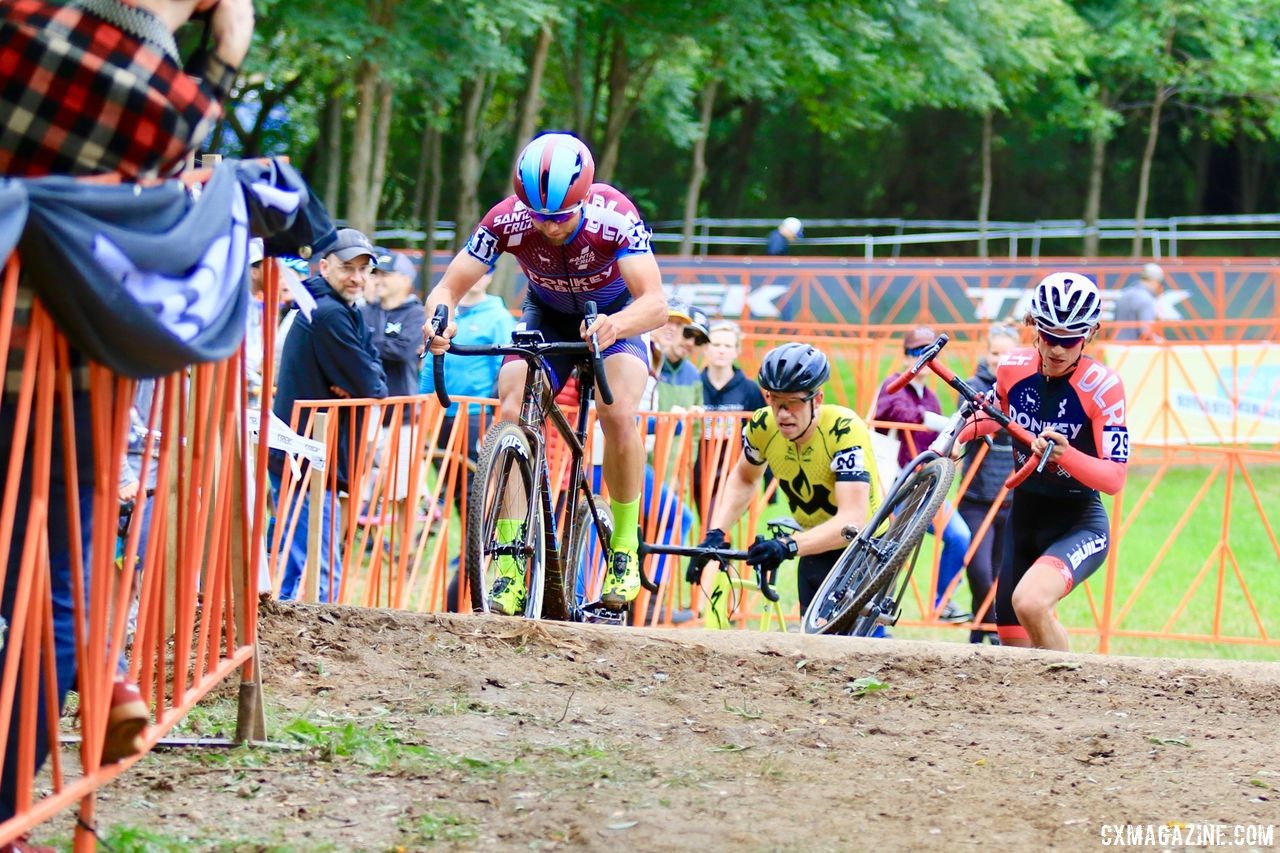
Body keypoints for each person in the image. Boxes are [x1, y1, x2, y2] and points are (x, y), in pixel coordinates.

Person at [1, 0, 254, 842]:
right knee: (56, 598)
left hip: (49, 376)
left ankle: (103, 683)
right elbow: (169, 136)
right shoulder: (125, 76)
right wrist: (223, 57)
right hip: (44, 374)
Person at [426, 132, 665, 614]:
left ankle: (623, 540)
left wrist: (612, 325)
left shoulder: (613, 216)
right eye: (539, 217)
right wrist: (440, 319)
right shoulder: (506, 219)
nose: (549, 227)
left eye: (560, 217)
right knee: (512, 406)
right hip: (546, 311)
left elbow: (656, 304)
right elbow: (447, 288)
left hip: (616, 314)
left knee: (616, 411)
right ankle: (511, 558)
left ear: (583, 200)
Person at [945, 272, 1128, 651]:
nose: (1057, 349)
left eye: (1070, 340)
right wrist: (950, 438)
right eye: (1049, 337)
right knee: (1015, 647)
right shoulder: (1012, 367)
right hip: (1023, 520)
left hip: (1077, 523)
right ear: (1033, 327)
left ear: (1090, 334)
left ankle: (1073, 692)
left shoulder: (1103, 386)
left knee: (1030, 602)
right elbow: (989, 418)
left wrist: (1067, 454)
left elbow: (1114, 478)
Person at [692, 344, 881, 615]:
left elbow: (852, 521)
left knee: (860, 642)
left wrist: (787, 545)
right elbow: (745, 478)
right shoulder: (762, 425)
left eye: (792, 402)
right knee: (812, 640)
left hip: (865, 543)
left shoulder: (843, 429)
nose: (782, 413)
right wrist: (716, 533)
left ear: (817, 400)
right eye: (774, 400)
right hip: (814, 542)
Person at [269, 228, 388, 602]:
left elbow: (373, 375)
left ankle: (282, 625)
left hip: (310, 454)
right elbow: (372, 385)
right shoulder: (328, 314)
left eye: (363, 269)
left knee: (296, 554)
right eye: (346, 268)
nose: (356, 277)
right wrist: (364, 380)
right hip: (307, 456)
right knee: (319, 562)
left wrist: (365, 378)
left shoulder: (342, 309)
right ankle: (325, 633)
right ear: (323, 267)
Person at [420, 272, 516, 611]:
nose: (476, 278)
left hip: (478, 415)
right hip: (441, 415)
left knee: (482, 502)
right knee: (458, 501)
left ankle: (475, 570)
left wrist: (495, 414)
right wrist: (421, 402)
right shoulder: (448, 314)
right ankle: (465, 567)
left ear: (491, 276)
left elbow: (507, 366)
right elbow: (427, 362)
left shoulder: (499, 316)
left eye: (484, 272)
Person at [875, 326, 972, 622]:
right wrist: (942, 423)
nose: (923, 359)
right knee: (891, 553)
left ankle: (941, 602)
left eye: (929, 353)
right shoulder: (892, 385)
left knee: (959, 535)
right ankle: (875, 625)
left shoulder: (930, 396)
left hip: (926, 485)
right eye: (917, 352)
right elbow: (895, 413)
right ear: (906, 357)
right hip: (898, 485)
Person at [956, 324, 1020, 644]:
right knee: (979, 572)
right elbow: (966, 424)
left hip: (1011, 495)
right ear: (986, 354)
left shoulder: (1027, 389)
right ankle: (991, 629)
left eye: (1007, 354)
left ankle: (980, 633)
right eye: (995, 353)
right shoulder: (973, 387)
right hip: (976, 496)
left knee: (998, 573)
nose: (999, 360)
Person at [361, 249, 427, 523]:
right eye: (376, 274)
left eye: (387, 274)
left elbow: (402, 351)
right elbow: (355, 343)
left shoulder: (416, 313)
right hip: (367, 409)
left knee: (403, 490)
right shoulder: (366, 309)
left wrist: (369, 342)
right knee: (358, 485)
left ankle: (406, 553)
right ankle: (348, 542)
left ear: (405, 279)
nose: (380, 280)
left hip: (401, 413)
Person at [693, 320, 765, 520]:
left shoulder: (749, 389)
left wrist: (769, 481)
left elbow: (764, 433)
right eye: (716, 345)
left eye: (728, 346)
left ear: (736, 351)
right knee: (708, 523)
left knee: (715, 521)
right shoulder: (695, 384)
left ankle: (711, 549)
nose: (721, 351)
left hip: (734, 469)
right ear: (706, 348)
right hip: (698, 469)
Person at [1113, 262, 1164, 342]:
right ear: (1156, 281)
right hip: (1133, 349)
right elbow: (1146, 332)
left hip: (1114, 346)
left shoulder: (1124, 294)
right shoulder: (1147, 299)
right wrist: (1160, 342)